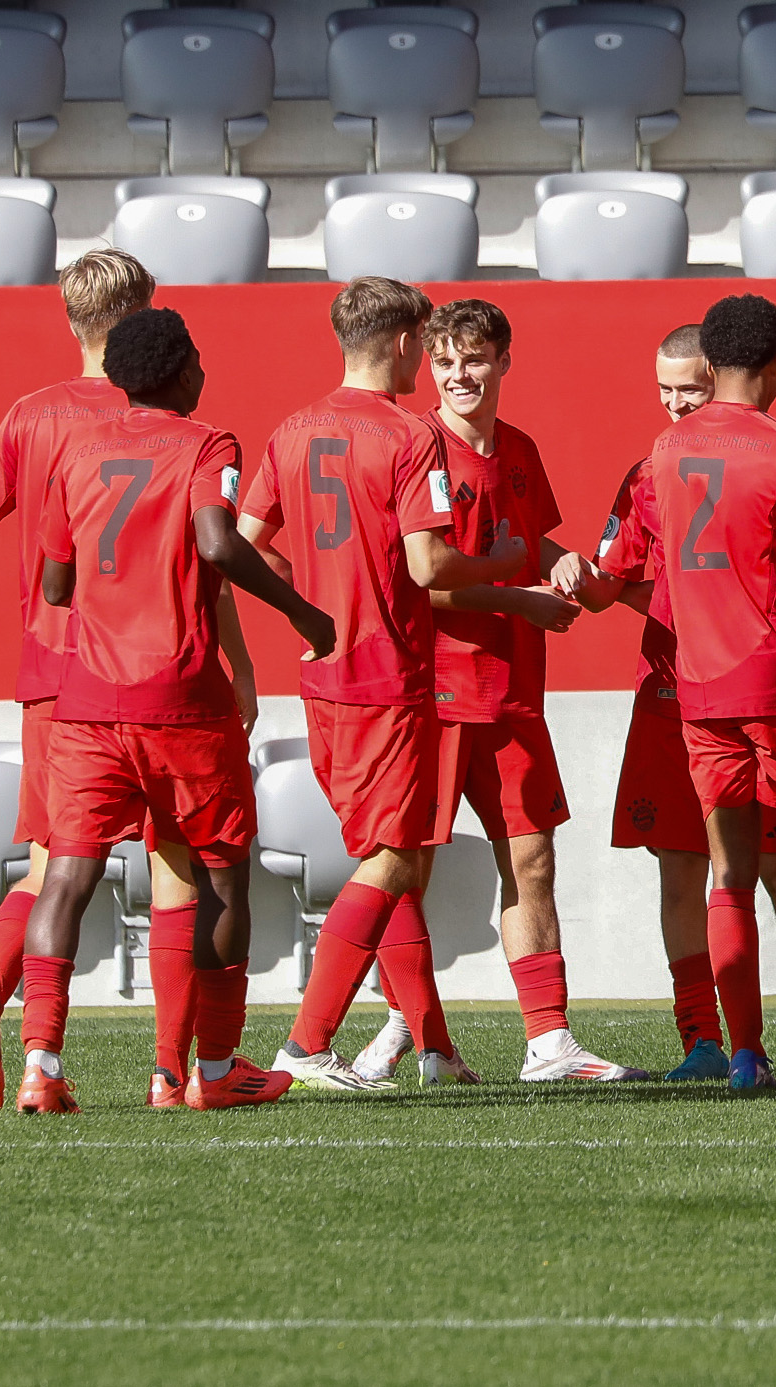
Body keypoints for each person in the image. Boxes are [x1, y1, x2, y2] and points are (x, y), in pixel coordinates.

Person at [0, 249, 256, 1111]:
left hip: (57, 679)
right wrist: (243, 660)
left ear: (69, 318)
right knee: (183, 870)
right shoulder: (162, 419)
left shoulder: (30, 416)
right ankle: (173, 1068)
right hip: (164, 676)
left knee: (53, 867)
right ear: (147, 313)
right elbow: (199, 560)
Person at [14, 307, 336, 1114]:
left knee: (65, 881)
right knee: (221, 877)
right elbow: (221, 542)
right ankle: (215, 1069)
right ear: (181, 370)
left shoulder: (75, 452)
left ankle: (42, 1067)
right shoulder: (207, 443)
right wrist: (303, 613)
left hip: (87, 703)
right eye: (198, 356)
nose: (204, 368)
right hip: (183, 699)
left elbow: (55, 585)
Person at [238, 277, 528, 1091]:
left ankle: (434, 1047)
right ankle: (307, 1038)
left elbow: (246, 539)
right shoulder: (410, 436)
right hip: (388, 675)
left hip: (323, 675)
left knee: (380, 855)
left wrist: (307, 608)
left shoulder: (292, 429)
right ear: (406, 345)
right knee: (395, 857)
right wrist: (504, 563)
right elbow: (427, 563)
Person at [348, 299, 643, 1083]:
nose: (457, 374)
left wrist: (565, 561)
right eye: (443, 361)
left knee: (533, 860)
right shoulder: (416, 447)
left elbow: (524, 537)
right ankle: (409, 1028)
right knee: (402, 872)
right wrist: (521, 600)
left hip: (512, 692)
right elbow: (423, 586)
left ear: (504, 361)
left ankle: (548, 1042)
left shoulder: (518, 449)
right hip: (431, 694)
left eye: (473, 359)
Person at [597, 294, 776, 1091]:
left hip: (696, 693)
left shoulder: (662, 453)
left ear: (709, 365)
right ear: (774, 366)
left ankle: (745, 1055)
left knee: (729, 873)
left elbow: (629, 568)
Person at [567, 325, 776, 1083]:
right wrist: (565, 572)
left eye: (689, 388)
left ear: (722, 380)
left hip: (749, 695)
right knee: (682, 872)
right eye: (663, 388)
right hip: (668, 699)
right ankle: (703, 1036)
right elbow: (612, 580)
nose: (674, 403)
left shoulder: (765, 455)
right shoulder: (652, 468)